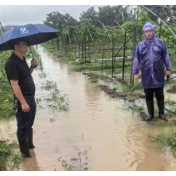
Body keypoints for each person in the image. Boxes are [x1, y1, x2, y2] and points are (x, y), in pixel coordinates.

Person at [5, 38, 38, 158]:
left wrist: (32, 67)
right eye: (24, 44)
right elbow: (14, 84)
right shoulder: (12, 63)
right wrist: (23, 102)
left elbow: (25, 76)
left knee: (29, 124)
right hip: (24, 100)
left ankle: (30, 146)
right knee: (23, 126)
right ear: (16, 46)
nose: (27, 46)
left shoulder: (22, 59)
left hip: (30, 98)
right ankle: (25, 154)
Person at [133, 21, 171, 122]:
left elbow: (165, 56)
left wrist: (168, 69)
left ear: (153, 31)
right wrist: (135, 72)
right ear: (144, 33)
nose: (148, 33)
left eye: (150, 31)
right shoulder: (140, 46)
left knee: (160, 95)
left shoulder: (160, 43)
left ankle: (161, 114)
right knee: (148, 96)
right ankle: (151, 115)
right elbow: (136, 59)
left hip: (158, 73)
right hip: (146, 75)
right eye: (146, 31)